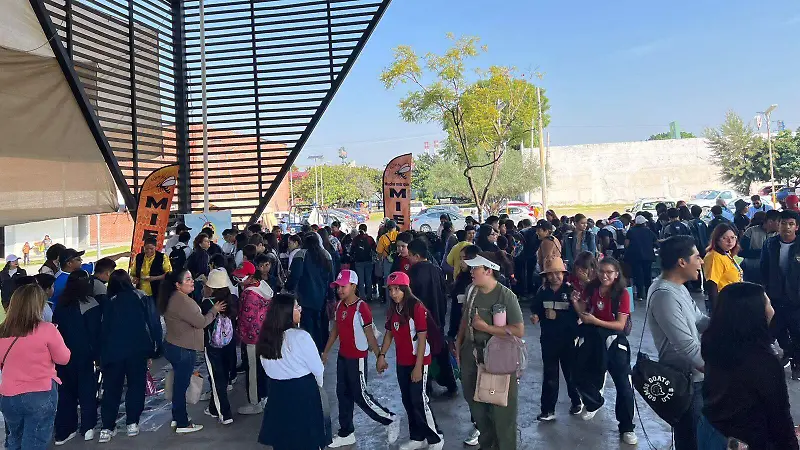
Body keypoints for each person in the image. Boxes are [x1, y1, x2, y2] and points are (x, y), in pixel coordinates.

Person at [698, 282, 799, 450]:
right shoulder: (764, 361)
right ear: (754, 314)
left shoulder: (714, 344)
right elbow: (779, 419)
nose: (772, 308)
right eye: (767, 303)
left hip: (711, 430)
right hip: (742, 441)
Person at [321, 270, 399, 448]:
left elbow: (370, 335)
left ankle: (389, 419)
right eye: (338, 286)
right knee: (343, 394)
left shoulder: (361, 307)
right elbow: (335, 331)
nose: (340, 289)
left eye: (343, 286)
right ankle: (346, 432)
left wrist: (380, 356)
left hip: (357, 359)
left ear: (354, 286)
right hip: (343, 357)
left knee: (360, 395)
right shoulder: (340, 305)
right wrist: (326, 351)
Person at [455, 253, 524, 450]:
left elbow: (519, 330)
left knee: (502, 413)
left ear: (488, 270)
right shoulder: (471, 291)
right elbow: (465, 319)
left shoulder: (505, 295)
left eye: (475, 268)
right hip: (471, 356)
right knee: (477, 410)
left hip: (498, 358)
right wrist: (459, 345)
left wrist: (486, 328)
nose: (471, 272)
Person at [647, 236, 708, 450]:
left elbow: (699, 320)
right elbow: (687, 348)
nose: (701, 262)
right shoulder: (664, 295)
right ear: (681, 262)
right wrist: (720, 371)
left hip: (696, 378)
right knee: (691, 441)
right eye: (697, 257)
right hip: (686, 382)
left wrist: (730, 323)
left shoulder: (678, 288)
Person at [571, 257, 637, 445]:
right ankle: (594, 401)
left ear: (617, 274)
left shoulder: (623, 293)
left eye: (609, 272)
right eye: (601, 271)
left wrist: (595, 321)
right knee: (578, 372)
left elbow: (620, 324)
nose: (604, 275)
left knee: (623, 383)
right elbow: (585, 312)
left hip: (614, 338)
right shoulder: (592, 288)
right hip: (593, 336)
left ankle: (626, 426)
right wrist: (577, 304)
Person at [377, 271, 444, 450]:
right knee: (407, 400)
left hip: (418, 361)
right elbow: (389, 333)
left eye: (397, 289)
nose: (393, 293)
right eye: (390, 290)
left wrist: (418, 366)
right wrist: (381, 355)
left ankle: (435, 437)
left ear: (406, 289)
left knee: (419, 399)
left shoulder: (417, 307)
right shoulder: (393, 308)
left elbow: (422, 338)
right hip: (402, 361)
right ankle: (417, 436)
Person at [0, 284, 71, 450]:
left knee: (14, 440)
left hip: (8, 396)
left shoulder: (2, 331)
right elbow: (64, 359)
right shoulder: (47, 329)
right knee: (35, 443)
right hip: (40, 393)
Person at [256, 293, 330, 450]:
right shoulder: (301, 337)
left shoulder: (265, 338)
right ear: (287, 312)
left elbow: (266, 369)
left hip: (277, 393)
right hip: (303, 393)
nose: (300, 309)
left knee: (283, 441)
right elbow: (318, 369)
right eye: (296, 306)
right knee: (307, 440)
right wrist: (317, 387)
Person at [159, 269, 226, 434]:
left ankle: (177, 417)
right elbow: (201, 322)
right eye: (187, 279)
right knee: (181, 386)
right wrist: (214, 310)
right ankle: (182, 422)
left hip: (174, 345)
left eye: (191, 278)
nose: (192, 282)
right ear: (177, 284)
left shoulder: (174, 297)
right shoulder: (182, 301)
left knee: (178, 384)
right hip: (183, 348)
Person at [96, 270, 154, 443]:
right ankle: (132, 423)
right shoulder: (140, 297)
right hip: (137, 350)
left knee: (112, 389)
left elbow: (102, 331)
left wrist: (100, 355)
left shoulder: (106, 303)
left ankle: (107, 427)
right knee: (136, 386)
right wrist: (152, 349)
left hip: (113, 353)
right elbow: (151, 324)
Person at [52, 270, 102, 444]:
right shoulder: (90, 303)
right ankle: (88, 427)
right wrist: (98, 356)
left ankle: (64, 430)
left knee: (66, 392)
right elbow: (95, 333)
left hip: (62, 355)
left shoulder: (60, 305)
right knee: (87, 390)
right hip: (84, 355)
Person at [530, 257, 582, 422]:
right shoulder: (542, 291)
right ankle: (547, 410)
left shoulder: (570, 291)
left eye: (558, 273)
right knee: (550, 375)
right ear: (546, 276)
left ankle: (577, 401)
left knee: (570, 373)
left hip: (568, 340)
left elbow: (578, 317)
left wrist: (557, 315)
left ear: (564, 273)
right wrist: (536, 316)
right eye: (551, 274)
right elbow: (535, 308)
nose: (555, 277)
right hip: (548, 340)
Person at [406, 239, 457, 396]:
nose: (407, 258)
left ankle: (425, 385)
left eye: (409, 255)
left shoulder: (413, 273)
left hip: (421, 320)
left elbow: (411, 298)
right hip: (439, 318)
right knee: (440, 353)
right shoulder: (436, 269)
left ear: (416, 255)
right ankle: (451, 383)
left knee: (421, 352)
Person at [760, 210, 800, 379]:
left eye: (791, 224)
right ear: (778, 225)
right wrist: (764, 292)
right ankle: (788, 352)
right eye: (784, 223)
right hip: (775, 297)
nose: (787, 227)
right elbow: (763, 269)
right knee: (774, 332)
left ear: (797, 227)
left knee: (798, 333)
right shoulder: (770, 244)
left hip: (796, 299)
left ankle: (797, 366)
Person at [199, 270, 238, 425]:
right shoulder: (233, 299)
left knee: (216, 378)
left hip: (212, 345)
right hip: (229, 343)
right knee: (223, 375)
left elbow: (202, 322)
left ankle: (225, 413)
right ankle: (213, 408)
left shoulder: (207, 304)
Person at [286, 234, 334, 352]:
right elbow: (331, 278)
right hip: (322, 298)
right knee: (322, 326)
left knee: (307, 327)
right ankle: (321, 351)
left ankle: (309, 351)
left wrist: (288, 288)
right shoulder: (326, 255)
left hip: (305, 298)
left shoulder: (301, 254)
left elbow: (295, 275)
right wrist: (331, 297)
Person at [235, 262, 272, 414]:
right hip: (266, 335)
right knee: (263, 368)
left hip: (252, 339)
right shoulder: (263, 286)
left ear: (250, 277)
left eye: (240, 277)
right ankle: (265, 397)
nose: (238, 280)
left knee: (253, 371)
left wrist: (240, 334)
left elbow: (246, 319)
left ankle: (255, 402)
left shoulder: (248, 294)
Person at [703, 223, 743, 314]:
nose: (730, 241)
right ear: (717, 239)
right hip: (724, 305)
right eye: (725, 238)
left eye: (733, 238)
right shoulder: (714, 257)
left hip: (734, 302)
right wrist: (717, 312)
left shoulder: (726, 253)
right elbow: (712, 284)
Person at [448, 245, 481, 340]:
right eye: (460, 258)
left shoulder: (478, 280)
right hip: (460, 327)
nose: (461, 262)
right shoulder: (461, 276)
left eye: (464, 258)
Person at [625, 215, 658, 302]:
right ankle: (648, 293)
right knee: (647, 275)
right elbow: (656, 242)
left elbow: (626, 244)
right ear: (644, 223)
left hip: (635, 257)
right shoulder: (648, 231)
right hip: (648, 257)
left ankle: (640, 295)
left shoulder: (631, 231)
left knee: (638, 275)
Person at [740, 210, 779, 284]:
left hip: (773, 273)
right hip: (751, 272)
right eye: (779, 222)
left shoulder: (779, 234)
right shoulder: (750, 231)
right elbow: (741, 252)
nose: (780, 224)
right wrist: (764, 252)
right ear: (770, 222)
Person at [350, 224, 377, 301]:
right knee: (368, 279)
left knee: (360, 280)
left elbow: (352, 251)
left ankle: (362, 297)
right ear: (366, 229)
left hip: (358, 262)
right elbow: (375, 249)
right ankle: (369, 296)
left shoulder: (355, 239)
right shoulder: (369, 238)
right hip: (368, 261)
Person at [377, 220, 399, 301]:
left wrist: (380, 260)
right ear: (395, 227)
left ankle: (388, 300)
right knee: (398, 279)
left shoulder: (383, 238)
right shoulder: (399, 235)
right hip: (398, 260)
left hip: (387, 261)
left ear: (387, 228)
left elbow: (379, 252)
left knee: (388, 280)